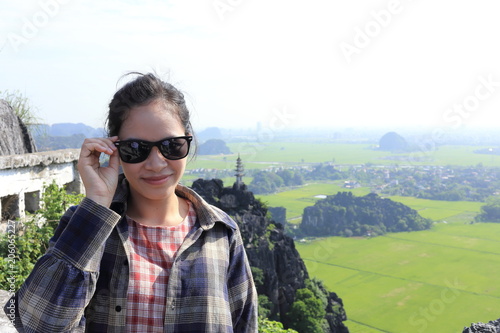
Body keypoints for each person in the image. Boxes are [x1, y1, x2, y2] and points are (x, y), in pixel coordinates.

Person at [5, 72, 258, 332]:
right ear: (115, 149)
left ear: (188, 140)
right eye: (136, 148)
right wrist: (97, 203)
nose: (157, 163)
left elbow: (245, 324)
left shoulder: (220, 233)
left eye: (171, 145)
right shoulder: (87, 226)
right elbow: (36, 325)